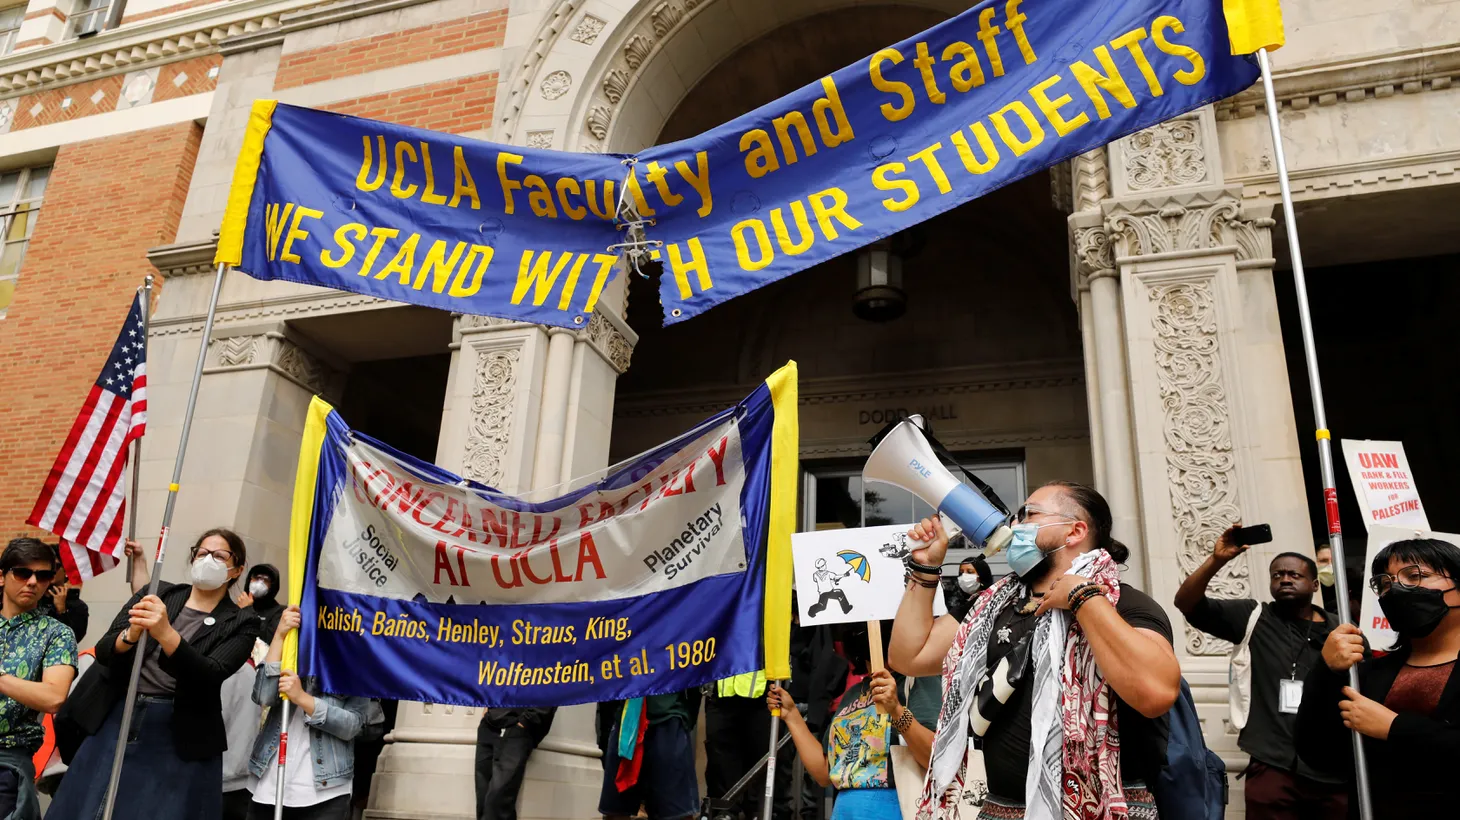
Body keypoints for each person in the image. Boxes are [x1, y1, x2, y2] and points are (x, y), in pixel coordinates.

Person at [889, 481, 1180, 820]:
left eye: (1029, 514)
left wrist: (1082, 598)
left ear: (1075, 531)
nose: (1014, 526)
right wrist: (925, 568)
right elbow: (910, 656)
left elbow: (1156, 692)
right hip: (1004, 810)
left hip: (1105, 808)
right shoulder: (991, 608)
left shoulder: (1123, 604)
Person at [47, 528, 260, 820]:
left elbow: (210, 674)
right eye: (202, 553)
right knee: (89, 805)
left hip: (176, 731)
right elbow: (106, 648)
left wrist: (166, 634)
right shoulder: (158, 593)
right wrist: (130, 635)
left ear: (236, 569)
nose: (208, 560)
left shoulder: (241, 622)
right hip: (117, 714)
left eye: (219, 556)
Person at [1174, 526, 1345, 819]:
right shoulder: (1254, 616)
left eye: (1294, 575)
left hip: (1331, 769)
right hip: (1272, 762)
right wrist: (1217, 561)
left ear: (1316, 585)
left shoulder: (1341, 630)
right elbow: (1186, 603)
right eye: (1277, 575)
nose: (1285, 579)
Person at [1297, 537, 1460, 818]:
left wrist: (1394, 728)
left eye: (1414, 576)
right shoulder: (1369, 673)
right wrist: (1326, 669)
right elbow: (1317, 754)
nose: (1395, 590)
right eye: (1385, 583)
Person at [766, 621, 939, 820]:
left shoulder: (918, 681)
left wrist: (896, 710)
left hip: (897, 809)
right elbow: (825, 773)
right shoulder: (853, 694)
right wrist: (791, 715)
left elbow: (934, 758)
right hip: (844, 811)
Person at [247, 605, 369, 820]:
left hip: (325, 792)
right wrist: (280, 635)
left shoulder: (355, 665)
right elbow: (263, 697)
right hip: (270, 786)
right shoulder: (293, 652)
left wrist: (302, 698)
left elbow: (352, 725)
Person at [0, 538, 78, 820]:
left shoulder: (56, 634)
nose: (32, 582)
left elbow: (54, 697)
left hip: (6, 762)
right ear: (2, 576)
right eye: (23, 573)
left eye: (42, 575)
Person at [599, 688, 701, 820]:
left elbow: (696, 681)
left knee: (676, 812)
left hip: (669, 720)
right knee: (615, 809)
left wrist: (685, 718)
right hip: (626, 721)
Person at [705, 670, 768, 820]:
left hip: (760, 695)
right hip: (720, 692)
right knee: (720, 758)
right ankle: (724, 810)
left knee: (759, 757)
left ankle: (755, 810)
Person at [475, 705, 556, 820]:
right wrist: (487, 708)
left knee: (498, 803)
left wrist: (526, 722)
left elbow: (552, 691)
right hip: (489, 725)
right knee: (483, 802)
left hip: (517, 727)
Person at [33, 547, 89, 641]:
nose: (50, 570)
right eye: (46, 566)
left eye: (55, 566)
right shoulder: (32, 597)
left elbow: (74, 638)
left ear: (66, 571)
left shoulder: (77, 605)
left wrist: (61, 611)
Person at [238, 563, 284, 637]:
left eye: (266, 580)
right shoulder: (240, 603)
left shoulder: (278, 612)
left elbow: (267, 640)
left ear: (272, 586)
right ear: (250, 580)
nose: (259, 583)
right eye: (257, 578)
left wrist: (247, 610)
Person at [946, 551, 993, 623]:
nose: (964, 576)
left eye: (970, 572)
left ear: (982, 576)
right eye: (961, 572)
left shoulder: (991, 601)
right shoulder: (953, 602)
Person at [1314, 543, 1340, 614]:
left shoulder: (1344, 589)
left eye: (1333, 561)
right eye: (1324, 561)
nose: (1330, 565)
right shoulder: (1308, 591)